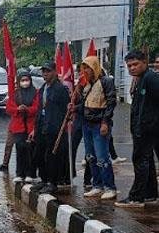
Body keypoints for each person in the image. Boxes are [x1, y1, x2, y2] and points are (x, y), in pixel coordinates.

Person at [115, 50, 159, 208]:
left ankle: (136, 197)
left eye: (135, 64)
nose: (132, 68)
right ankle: (150, 194)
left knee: (140, 161)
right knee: (146, 162)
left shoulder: (151, 79)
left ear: (144, 63)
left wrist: (150, 123)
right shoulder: (140, 79)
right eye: (129, 66)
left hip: (148, 129)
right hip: (142, 129)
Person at [77, 56, 118, 200]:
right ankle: (97, 185)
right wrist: (74, 108)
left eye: (88, 67)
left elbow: (111, 102)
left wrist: (105, 122)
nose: (85, 70)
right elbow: (84, 105)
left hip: (99, 124)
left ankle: (110, 187)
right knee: (91, 157)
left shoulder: (106, 82)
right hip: (87, 124)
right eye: (84, 68)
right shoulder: (87, 85)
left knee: (102, 156)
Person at [31, 61, 70, 195]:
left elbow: (66, 110)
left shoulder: (60, 89)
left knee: (52, 155)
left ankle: (52, 182)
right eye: (43, 72)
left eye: (48, 71)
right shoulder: (43, 88)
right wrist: (34, 129)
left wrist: (62, 126)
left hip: (54, 126)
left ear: (54, 72)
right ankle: (44, 179)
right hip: (42, 124)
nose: (45, 74)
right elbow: (39, 109)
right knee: (39, 154)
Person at [7, 73, 39, 183]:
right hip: (18, 126)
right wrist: (18, 109)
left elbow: (37, 107)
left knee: (30, 149)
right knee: (20, 148)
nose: (25, 82)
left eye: (27, 80)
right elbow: (9, 108)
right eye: (23, 80)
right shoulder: (15, 94)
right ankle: (19, 173)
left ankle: (30, 173)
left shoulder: (35, 93)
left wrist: (28, 109)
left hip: (31, 125)